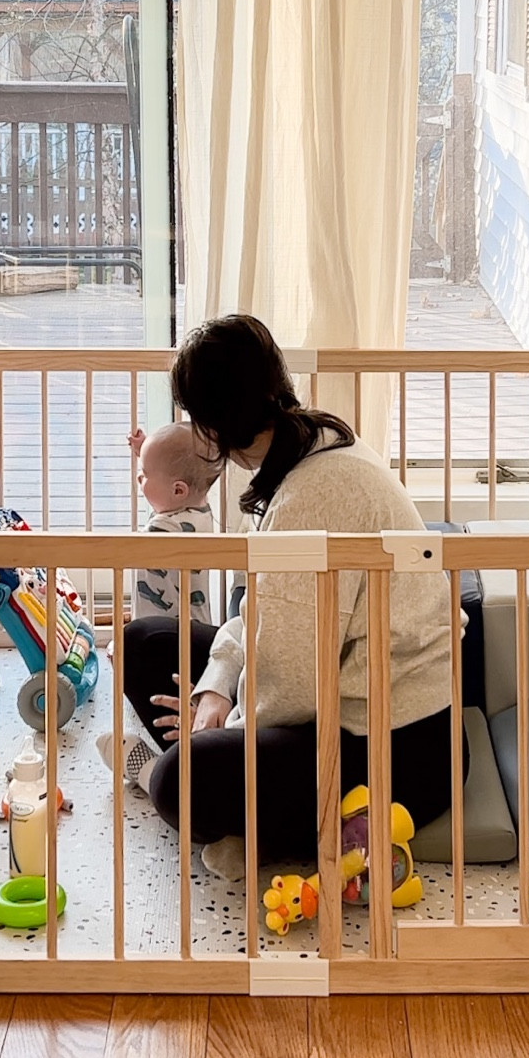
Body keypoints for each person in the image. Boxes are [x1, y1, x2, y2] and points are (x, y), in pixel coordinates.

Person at [111, 313, 466, 878]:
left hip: (396, 747)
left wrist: (222, 725)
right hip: (332, 698)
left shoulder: (312, 493)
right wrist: (214, 687)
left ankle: (205, 797)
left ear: (213, 425)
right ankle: (243, 815)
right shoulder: (309, 443)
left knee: (181, 780)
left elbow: (293, 683)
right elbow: (260, 611)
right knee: (142, 641)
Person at [126, 422, 219, 622]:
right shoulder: (202, 514)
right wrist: (146, 451)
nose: (139, 478)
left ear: (178, 490)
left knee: (132, 636)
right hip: (196, 628)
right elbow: (167, 484)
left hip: (166, 633)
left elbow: (121, 550)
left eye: (145, 475)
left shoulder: (163, 529)